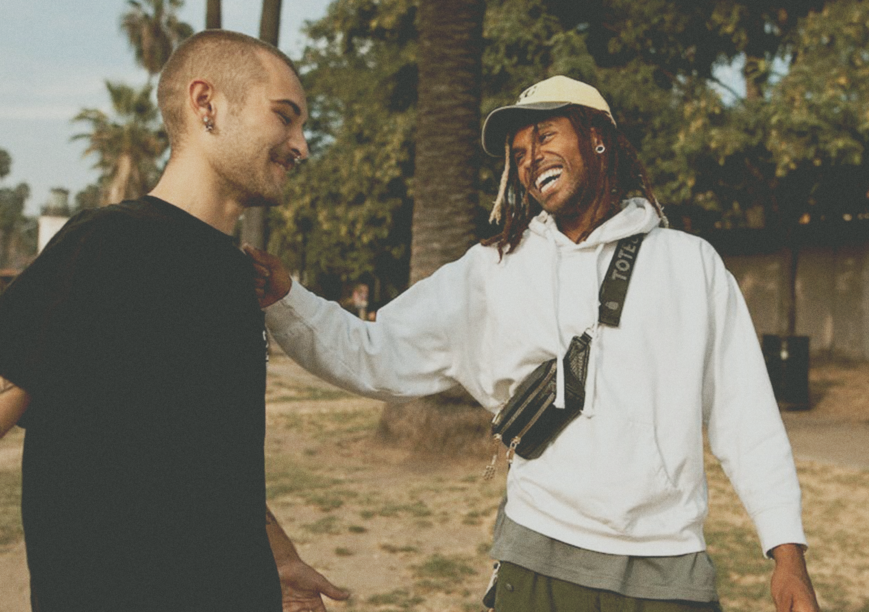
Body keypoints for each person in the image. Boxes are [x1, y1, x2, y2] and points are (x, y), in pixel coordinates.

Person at [250, 76, 821, 611]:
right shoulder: (492, 270)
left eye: (545, 136)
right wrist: (286, 297)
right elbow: (375, 353)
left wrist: (787, 554)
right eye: (518, 154)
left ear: (598, 138)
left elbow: (745, 417)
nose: (531, 160)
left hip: (666, 569)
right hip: (537, 558)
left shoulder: (690, 264)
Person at [0, 31, 349, 612]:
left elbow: (202, 453)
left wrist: (274, 558)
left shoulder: (237, 275)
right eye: (284, 118)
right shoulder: (107, 245)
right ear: (205, 104)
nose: (302, 145)